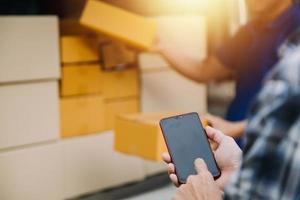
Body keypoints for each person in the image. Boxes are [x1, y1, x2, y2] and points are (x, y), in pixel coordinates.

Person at [162, 29, 300, 199]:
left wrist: (205, 198)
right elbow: (205, 69)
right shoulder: (247, 31)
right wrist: (237, 170)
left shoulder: (293, 70)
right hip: (247, 154)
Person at [156, 0, 300, 141]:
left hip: (270, 146)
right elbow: (205, 70)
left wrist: (237, 128)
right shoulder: (249, 30)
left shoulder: (296, 27)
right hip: (235, 143)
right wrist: (162, 48)